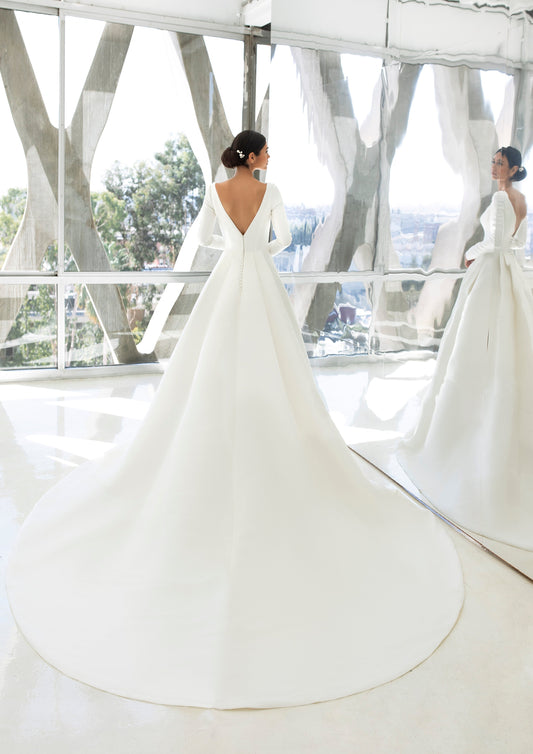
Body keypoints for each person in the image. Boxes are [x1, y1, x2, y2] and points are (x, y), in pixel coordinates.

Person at [6, 131, 463, 709]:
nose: (270, 157)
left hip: (227, 283)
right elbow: (283, 240)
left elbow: (202, 238)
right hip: (262, 284)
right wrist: (256, 249)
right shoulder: (269, 191)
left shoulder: (219, 190)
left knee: (208, 368)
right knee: (277, 366)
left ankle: (214, 437)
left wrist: (234, 244)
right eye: (265, 150)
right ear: (252, 156)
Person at [399, 146, 533, 550]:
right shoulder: (523, 199)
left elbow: (492, 242)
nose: (493, 166)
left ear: (511, 168)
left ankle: (467, 418)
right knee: (508, 338)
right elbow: (517, 243)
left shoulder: (498, 197)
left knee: (474, 341)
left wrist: (470, 255)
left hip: (490, 273)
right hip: (511, 275)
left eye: (499, 162)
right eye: (492, 161)